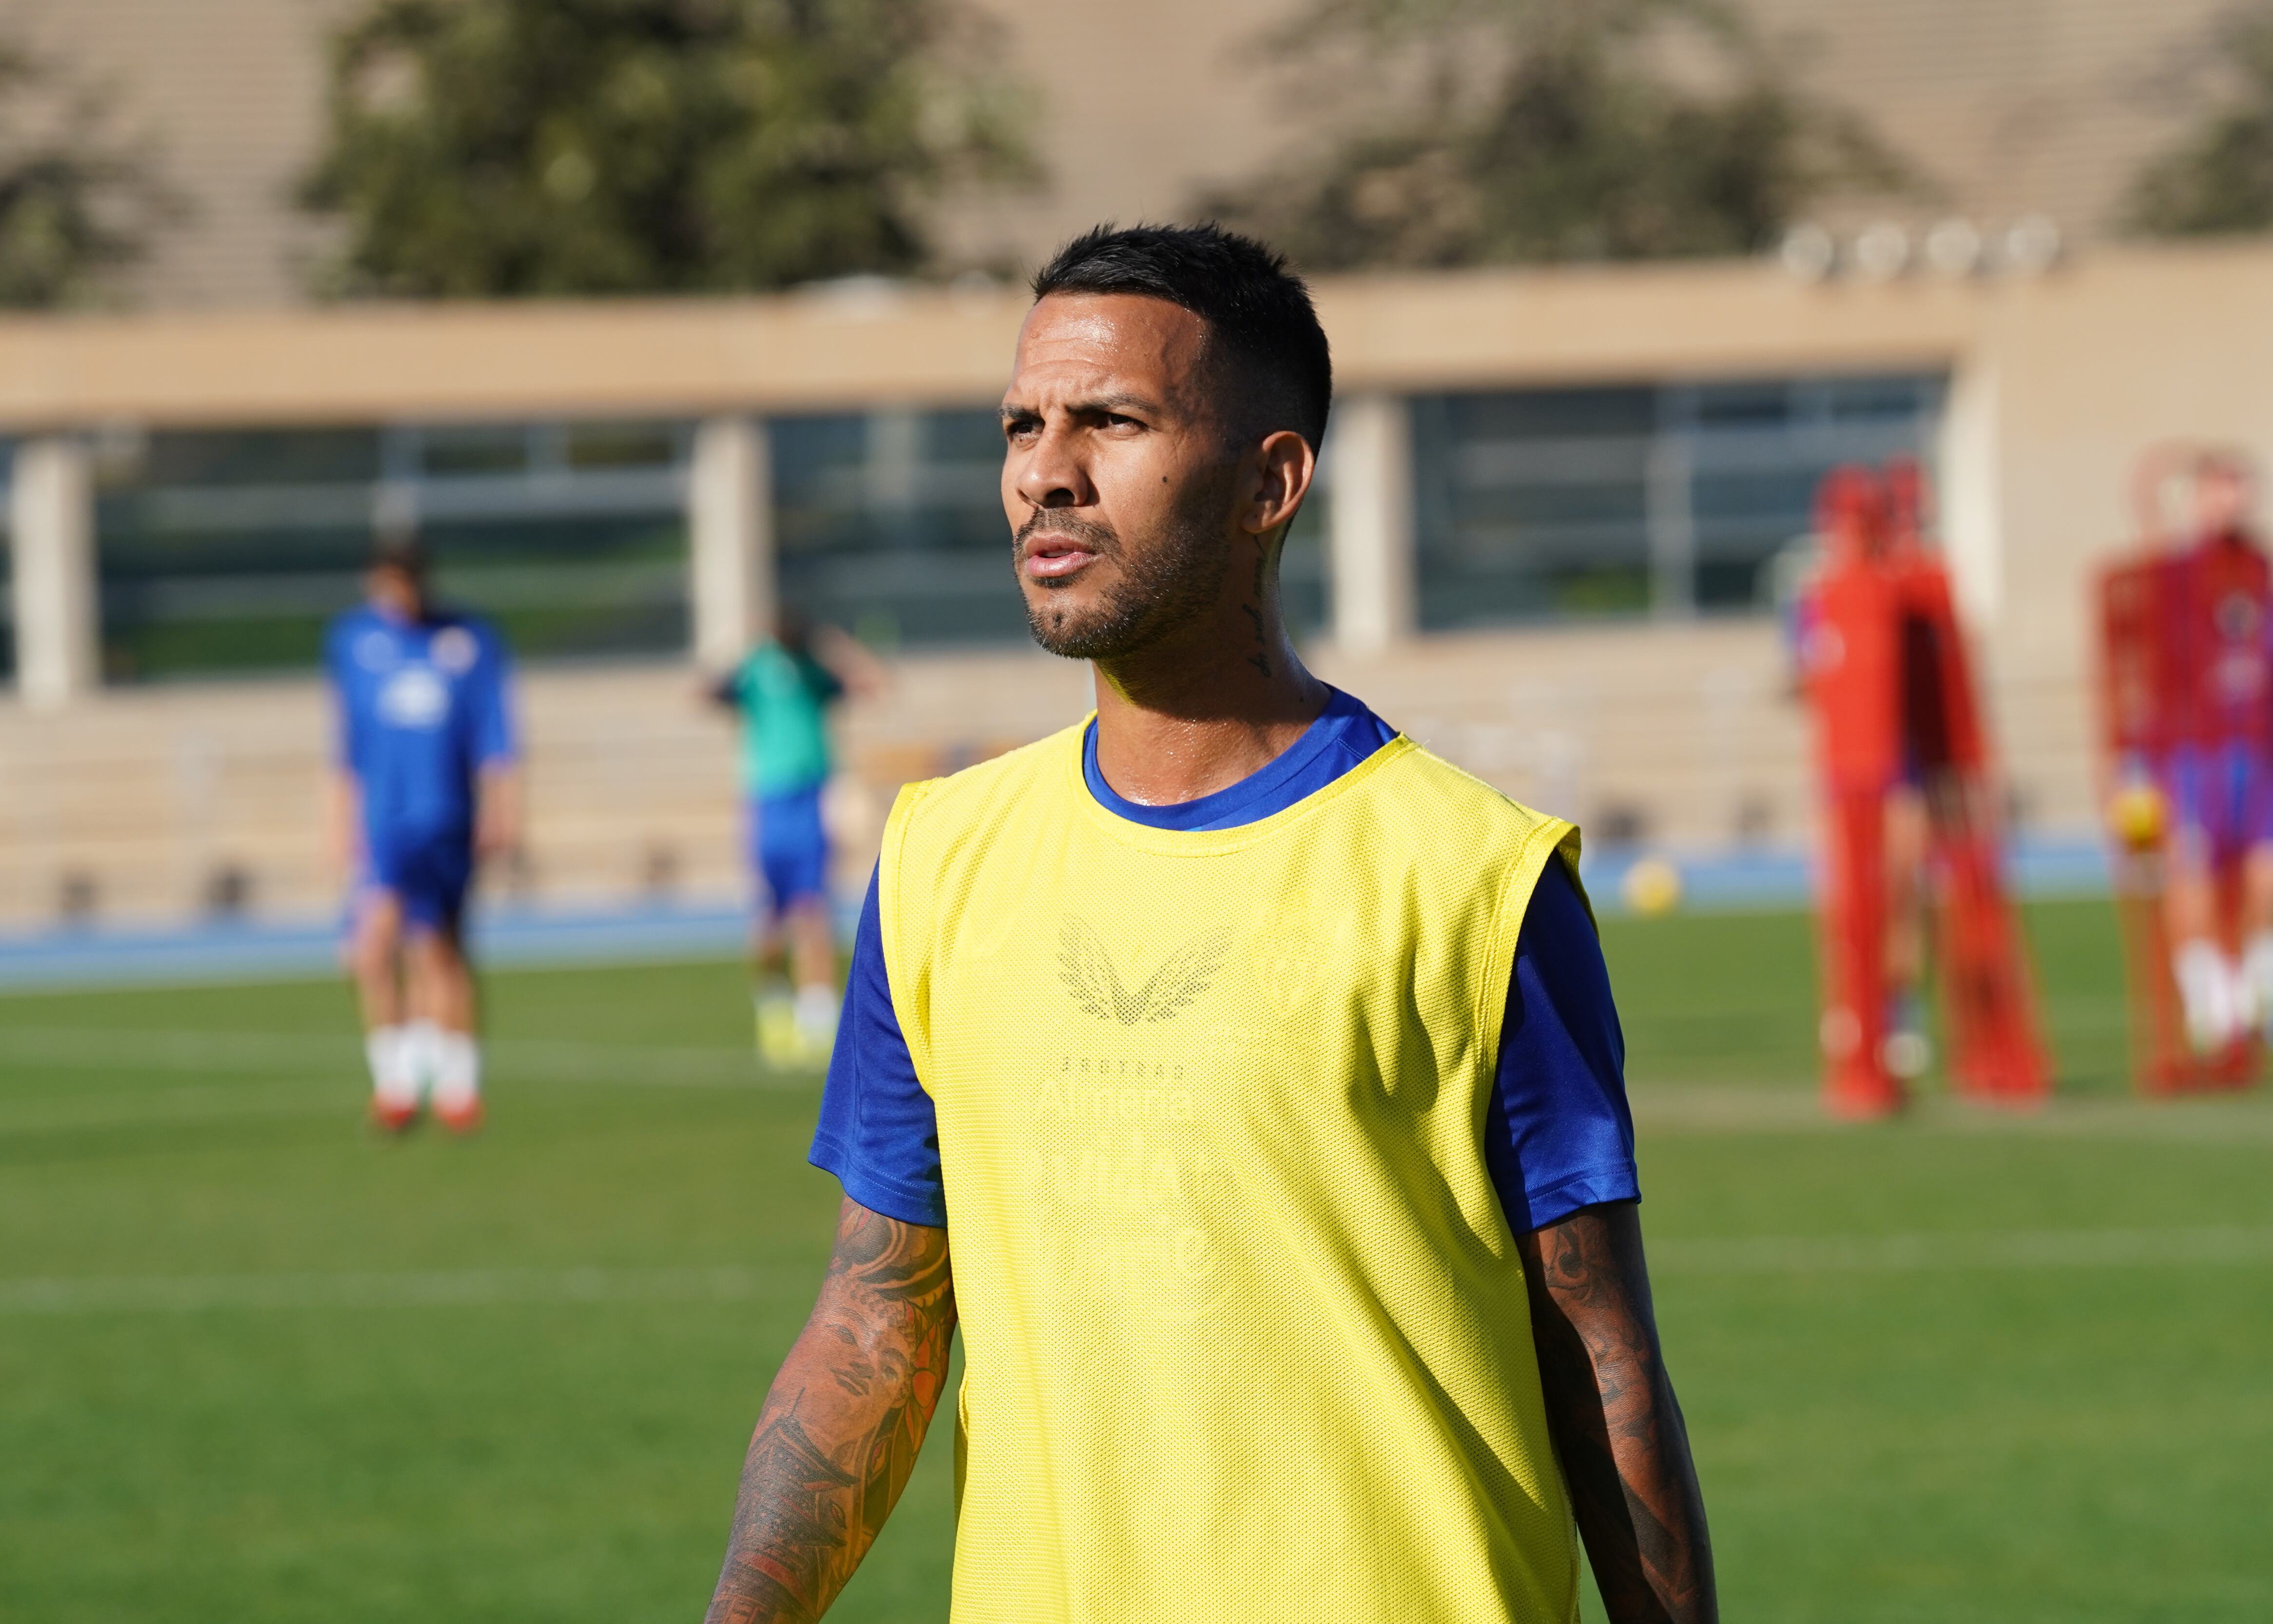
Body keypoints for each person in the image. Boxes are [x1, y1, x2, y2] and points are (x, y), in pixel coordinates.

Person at [703, 226, 1714, 1623]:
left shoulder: (1476, 878)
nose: (1045, 470)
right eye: (1021, 424)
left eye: (1110, 420)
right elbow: (878, 1318)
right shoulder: (940, 858)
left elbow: (1600, 1356)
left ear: (1268, 482)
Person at [326, 532, 520, 1133]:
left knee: (441, 949)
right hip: (385, 821)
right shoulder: (354, 642)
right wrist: (335, 822)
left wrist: (502, 813)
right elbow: (345, 742)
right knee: (370, 948)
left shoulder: (468, 641)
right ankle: (398, 1080)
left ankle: (458, 1088)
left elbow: (495, 737)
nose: (401, 593)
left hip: (447, 817)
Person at [2131, 447, 2273, 1050]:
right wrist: (2135, 765)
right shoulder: (2171, 578)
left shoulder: (2259, 571)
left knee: (2264, 878)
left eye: (2238, 489)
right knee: (2188, 873)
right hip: (2190, 754)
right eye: (2220, 489)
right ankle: (2206, 996)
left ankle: (2254, 985)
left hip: (2255, 749)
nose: (2232, 502)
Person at [710, 615, 882, 1070]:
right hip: (768, 803)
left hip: (810, 799)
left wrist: (839, 645)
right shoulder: (754, 669)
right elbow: (706, 692)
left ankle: (818, 1023)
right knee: (769, 917)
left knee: (813, 912)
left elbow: (871, 685)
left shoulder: (813, 670)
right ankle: (774, 1005)